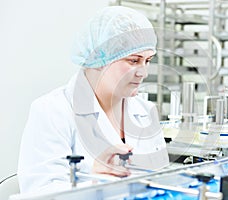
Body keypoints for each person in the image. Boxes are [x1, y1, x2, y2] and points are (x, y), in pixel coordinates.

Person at [18, 6, 169, 194]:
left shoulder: (146, 111)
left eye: (148, 60)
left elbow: (163, 183)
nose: (143, 72)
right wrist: (95, 183)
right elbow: (38, 193)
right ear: (99, 57)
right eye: (133, 60)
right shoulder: (52, 111)